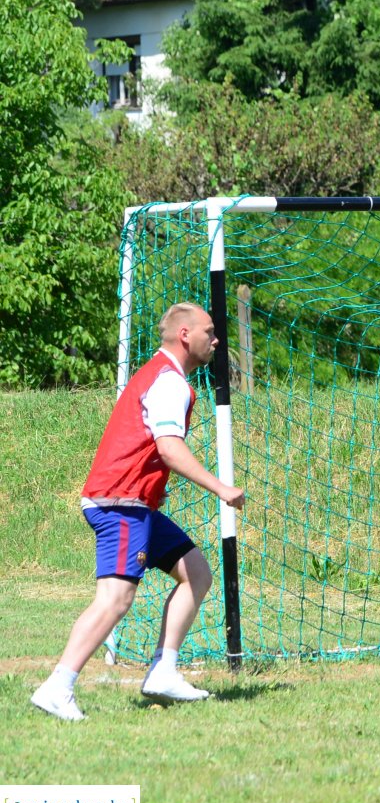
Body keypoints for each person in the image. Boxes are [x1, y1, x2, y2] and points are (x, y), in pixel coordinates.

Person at [30, 303, 246, 722]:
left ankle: (163, 671)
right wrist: (221, 488)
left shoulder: (159, 375)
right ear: (186, 335)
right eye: (210, 331)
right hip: (121, 503)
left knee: (196, 572)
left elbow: (145, 446)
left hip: (134, 501)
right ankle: (58, 686)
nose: (215, 340)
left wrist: (153, 485)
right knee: (115, 599)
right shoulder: (170, 382)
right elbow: (168, 447)